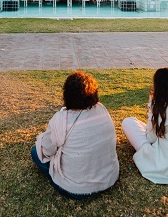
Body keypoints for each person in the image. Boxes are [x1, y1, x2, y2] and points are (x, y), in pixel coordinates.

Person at [32, 71, 119, 199]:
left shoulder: (60, 119)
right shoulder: (101, 109)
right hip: (109, 179)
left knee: (35, 152)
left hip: (75, 189)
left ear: (67, 95)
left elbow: (46, 150)